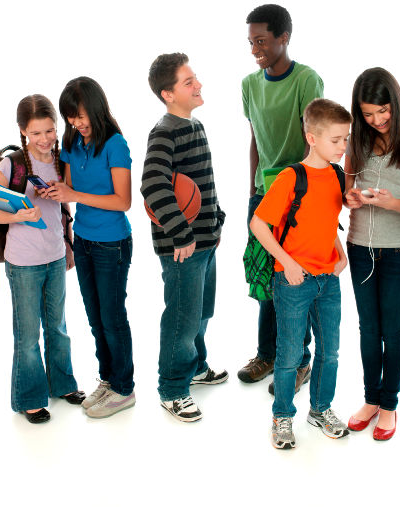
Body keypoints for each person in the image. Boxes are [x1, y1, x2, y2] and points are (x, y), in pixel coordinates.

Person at [250, 98, 351, 449]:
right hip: (292, 281)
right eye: (337, 140)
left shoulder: (338, 176)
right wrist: (288, 263)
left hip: (328, 280)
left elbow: (325, 223)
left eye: (346, 139)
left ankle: (320, 410)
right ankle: (282, 417)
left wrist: (341, 253)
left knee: (330, 351)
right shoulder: (292, 177)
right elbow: (259, 224)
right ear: (312, 138)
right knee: (290, 354)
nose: (343, 146)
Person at [343, 68, 400, 440]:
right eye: (368, 114)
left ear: (396, 104)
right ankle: (370, 398)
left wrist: (391, 202)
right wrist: (350, 198)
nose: (377, 120)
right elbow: (346, 191)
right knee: (369, 329)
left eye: (383, 111)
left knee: (393, 331)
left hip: (399, 250)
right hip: (360, 247)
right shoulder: (356, 142)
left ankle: (389, 404)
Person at [239, 3, 324, 393]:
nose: (255, 48)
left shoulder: (307, 80)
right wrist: (254, 189)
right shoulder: (249, 85)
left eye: (262, 40)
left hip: (297, 194)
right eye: (251, 41)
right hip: (264, 193)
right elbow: (256, 138)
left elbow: (316, 138)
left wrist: (302, 195)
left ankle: (299, 361)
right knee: (264, 281)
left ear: (283, 38)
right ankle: (268, 354)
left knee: (293, 280)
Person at [0, 94, 84, 423]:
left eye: (49, 131)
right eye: (35, 133)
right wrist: (22, 215)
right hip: (23, 262)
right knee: (28, 334)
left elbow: (68, 202)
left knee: (58, 327)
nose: (44, 140)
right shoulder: (11, 164)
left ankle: (63, 385)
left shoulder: (61, 159)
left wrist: (60, 192)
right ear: (22, 132)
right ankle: (30, 398)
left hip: (55, 256)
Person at [142, 52, 227, 422]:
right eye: (188, 82)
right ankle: (173, 388)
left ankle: (195, 367)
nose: (198, 85)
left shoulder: (196, 126)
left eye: (196, 78)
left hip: (205, 241)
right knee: (181, 316)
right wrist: (180, 234)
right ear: (168, 94)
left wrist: (217, 220)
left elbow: (203, 184)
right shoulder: (164, 132)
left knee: (201, 312)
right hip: (182, 247)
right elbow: (153, 186)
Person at [46, 76, 136, 419]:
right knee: (96, 318)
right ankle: (108, 378)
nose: (76, 123)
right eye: (70, 117)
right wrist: (52, 189)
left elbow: (122, 200)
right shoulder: (72, 141)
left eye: (80, 115)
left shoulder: (116, 144)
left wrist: (72, 195)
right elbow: (66, 185)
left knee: (113, 318)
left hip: (112, 243)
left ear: (96, 108)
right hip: (83, 241)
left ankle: (124, 388)